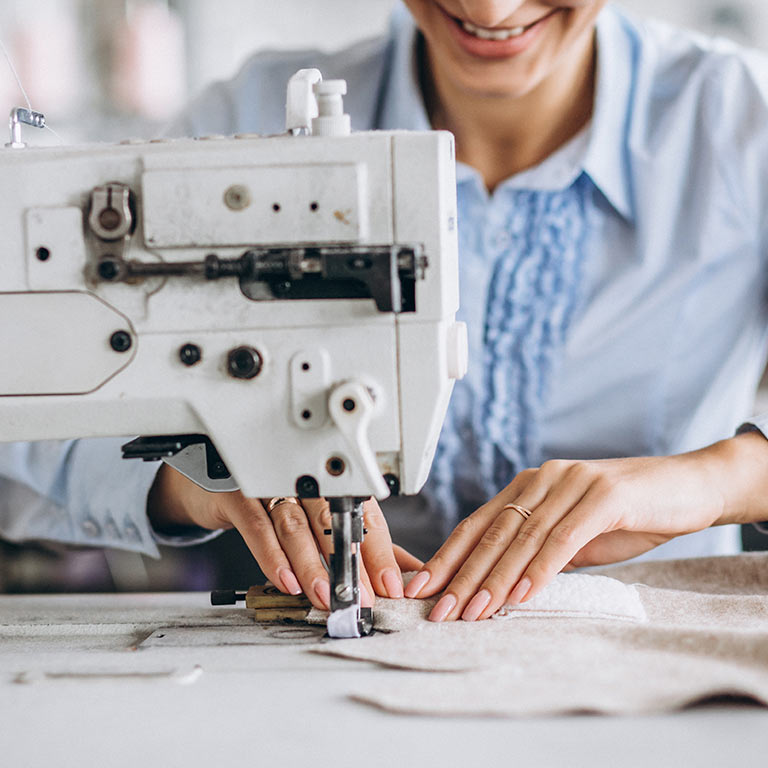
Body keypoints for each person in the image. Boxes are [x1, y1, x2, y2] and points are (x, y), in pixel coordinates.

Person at [4, 1, 768, 620]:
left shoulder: (742, 124)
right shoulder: (249, 115)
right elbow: (32, 401)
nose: (489, 9)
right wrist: (196, 485)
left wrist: (714, 480)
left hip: (653, 652)